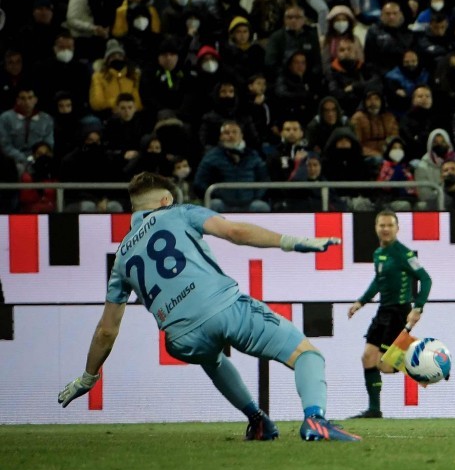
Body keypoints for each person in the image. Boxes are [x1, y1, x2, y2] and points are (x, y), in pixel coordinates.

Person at [57, 172, 358, 442]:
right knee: (307, 355)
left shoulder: (121, 258)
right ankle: (315, 420)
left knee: (212, 360)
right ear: (166, 200)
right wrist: (292, 241)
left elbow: (107, 330)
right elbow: (235, 232)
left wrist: (88, 376)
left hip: (180, 339)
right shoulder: (178, 212)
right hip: (224, 309)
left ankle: (257, 421)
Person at [345, 210, 432, 419]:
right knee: (368, 357)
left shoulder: (404, 254)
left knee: (384, 365)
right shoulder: (378, 254)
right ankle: (374, 410)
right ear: (376, 228)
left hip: (398, 312)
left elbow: (426, 279)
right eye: (382, 225)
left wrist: (418, 307)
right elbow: (378, 280)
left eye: (390, 225)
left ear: (397, 228)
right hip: (383, 311)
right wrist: (361, 302)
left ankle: (423, 365)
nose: (386, 229)